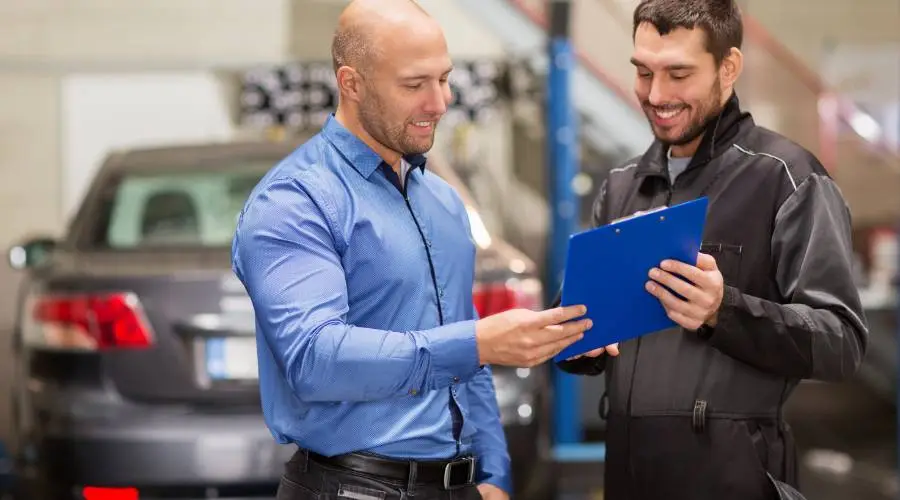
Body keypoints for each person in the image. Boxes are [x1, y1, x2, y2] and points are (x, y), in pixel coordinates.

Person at [231, 0, 592, 499]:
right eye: (414, 84)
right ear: (351, 83)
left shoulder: (442, 202)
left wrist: (492, 474)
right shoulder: (296, 200)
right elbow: (315, 359)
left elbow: (469, 360)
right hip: (351, 489)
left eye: (444, 79)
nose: (439, 102)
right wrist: (476, 343)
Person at [557, 1, 868, 499]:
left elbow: (842, 342)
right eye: (643, 72)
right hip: (629, 475)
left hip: (734, 478)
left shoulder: (786, 178)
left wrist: (723, 311)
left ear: (728, 67)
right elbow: (578, 328)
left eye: (678, 74)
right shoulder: (620, 188)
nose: (656, 94)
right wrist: (576, 336)